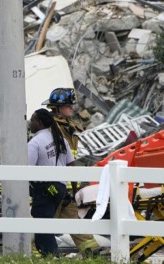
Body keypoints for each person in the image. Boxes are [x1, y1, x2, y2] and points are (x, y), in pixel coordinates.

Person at [42, 87, 102, 256]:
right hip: (53, 188)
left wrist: (73, 188)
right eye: (68, 105)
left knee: (74, 222)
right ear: (58, 108)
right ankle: (36, 255)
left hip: (67, 188)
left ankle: (92, 253)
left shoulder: (68, 128)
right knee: (44, 225)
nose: (72, 108)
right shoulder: (51, 130)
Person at [28, 108, 72, 257]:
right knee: (44, 221)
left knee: (42, 223)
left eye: (32, 119)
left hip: (45, 187)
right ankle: (45, 254)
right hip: (59, 187)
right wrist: (72, 189)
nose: (30, 122)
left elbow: (27, 169)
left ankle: (51, 256)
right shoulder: (60, 139)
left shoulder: (36, 142)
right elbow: (71, 165)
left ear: (39, 122)